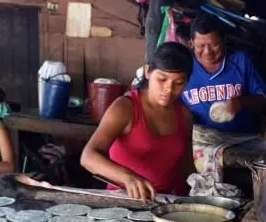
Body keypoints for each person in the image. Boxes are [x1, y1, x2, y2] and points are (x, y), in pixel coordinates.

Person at [81, 42, 194, 200]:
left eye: (179, 83)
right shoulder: (125, 108)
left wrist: (201, 188)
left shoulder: (184, 114)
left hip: (169, 202)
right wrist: (128, 177)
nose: (169, 89)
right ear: (148, 72)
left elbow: (187, 166)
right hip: (124, 200)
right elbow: (88, 157)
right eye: (162, 79)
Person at [181, 13, 266, 133]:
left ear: (224, 40)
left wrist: (241, 103)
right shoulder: (184, 65)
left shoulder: (241, 61)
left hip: (240, 140)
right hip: (200, 141)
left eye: (214, 45)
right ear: (191, 43)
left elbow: (263, 100)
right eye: (200, 46)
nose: (208, 52)